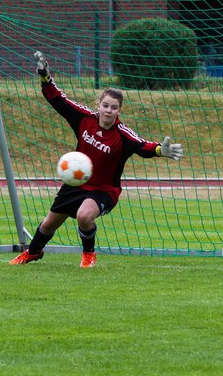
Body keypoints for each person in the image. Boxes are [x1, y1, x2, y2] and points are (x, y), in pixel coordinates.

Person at [11, 50, 184, 268]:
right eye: (105, 105)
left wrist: (161, 150)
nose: (109, 110)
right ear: (99, 104)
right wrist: (45, 77)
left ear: (119, 110)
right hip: (76, 183)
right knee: (48, 224)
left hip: (103, 191)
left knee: (84, 216)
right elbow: (59, 100)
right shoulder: (84, 119)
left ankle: (88, 254)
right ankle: (33, 252)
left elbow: (143, 146)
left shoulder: (123, 135)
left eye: (114, 107)